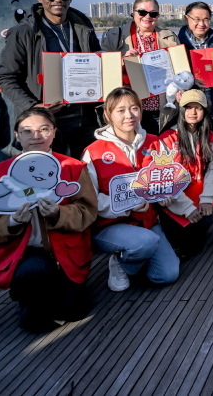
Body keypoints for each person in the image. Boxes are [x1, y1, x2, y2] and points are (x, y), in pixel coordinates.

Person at [0, 107, 97, 332]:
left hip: (66, 250)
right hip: (24, 252)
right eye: (27, 131)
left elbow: (88, 212)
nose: (36, 136)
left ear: (54, 133)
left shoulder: (73, 168)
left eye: (44, 129)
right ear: (17, 136)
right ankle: (26, 294)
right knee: (34, 317)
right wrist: (11, 223)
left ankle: (54, 291)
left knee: (73, 312)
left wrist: (59, 214)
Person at [81, 87, 180, 292]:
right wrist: (128, 205)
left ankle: (132, 259)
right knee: (144, 243)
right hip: (110, 225)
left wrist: (166, 194)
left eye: (134, 108)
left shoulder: (155, 143)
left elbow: (166, 179)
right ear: (107, 115)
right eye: (121, 110)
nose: (129, 115)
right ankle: (121, 262)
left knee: (167, 274)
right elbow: (88, 198)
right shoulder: (94, 152)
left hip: (148, 223)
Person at [0, 0, 102, 159]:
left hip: (86, 117)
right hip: (46, 119)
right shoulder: (23, 32)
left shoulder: (83, 27)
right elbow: (5, 78)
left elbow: (98, 64)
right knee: (48, 174)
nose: (58, 0)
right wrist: (34, 106)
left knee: (90, 170)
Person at [101, 0, 180, 135]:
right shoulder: (114, 36)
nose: (147, 17)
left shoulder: (170, 37)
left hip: (160, 108)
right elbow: (102, 73)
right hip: (129, 111)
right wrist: (121, 62)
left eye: (153, 14)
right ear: (133, 13)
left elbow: (179, 71)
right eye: (142, 12)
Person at [155, 90, 213, 259]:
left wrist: (207, 197)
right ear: (181, 110)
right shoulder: (167, 138)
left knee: (208, 221)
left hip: (199, 193)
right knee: (185, 247)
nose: (193, 112)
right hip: (175, 199)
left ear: (205, 111)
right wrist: (186, 207)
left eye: (198, 108)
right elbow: (165, 178)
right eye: (188, 107)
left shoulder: (210, 136)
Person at [176, 1, 213, 120]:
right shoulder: (176, 43)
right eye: (197, 19)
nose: (201, 24)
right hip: (189, 108)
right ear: (186, 18)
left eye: (206, 19)